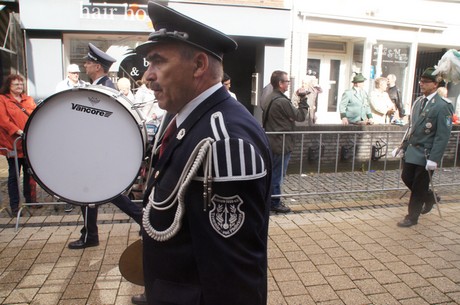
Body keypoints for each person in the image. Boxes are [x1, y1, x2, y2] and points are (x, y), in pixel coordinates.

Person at [135, 1, 271, 304]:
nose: (147, 76)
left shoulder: (224, 142)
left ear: (198, 66)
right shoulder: (182, 117)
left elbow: (233, 276)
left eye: (158, 62)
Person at [67, 43, 117, 250]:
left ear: (97, 66)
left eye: (88, 63)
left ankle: (90, 235)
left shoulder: (103, 89)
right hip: (95, 149)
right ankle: (90, 235)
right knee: (96, 192)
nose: (85, 66)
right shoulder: (100, 86)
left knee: (91, 192)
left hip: (97, 150)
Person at [396, 67, 453, 227]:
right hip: (412, 150)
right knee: (406, 178)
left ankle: (411, 217)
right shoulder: (419, 102)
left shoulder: (443, 106)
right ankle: (430, 197)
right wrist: (403, 145)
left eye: (426, 82)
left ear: (435, 84)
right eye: (421, 81)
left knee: (418, 185)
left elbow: (442, 136)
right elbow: (412, 128)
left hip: (426, 153)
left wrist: (434, 158)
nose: (421, 84)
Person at [263, 70, 308, 213]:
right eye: (287, 81)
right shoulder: (282, 101)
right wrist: (303, 99)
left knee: (272, 173)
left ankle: (269, 200)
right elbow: (300, 116)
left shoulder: (270, 97)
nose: (289, 83)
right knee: (277, 175)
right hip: (281, 144)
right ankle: (275, 203)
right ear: (280, 84)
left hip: (271, 141)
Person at [0, 75, 37, 216]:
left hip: (28, 143)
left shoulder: (28, 99)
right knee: (14, 175)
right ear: (9, 85)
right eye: (16, 84)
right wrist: (18, 131)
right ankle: (15, 205)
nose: (19, 87)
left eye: (21, 84)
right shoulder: (3, 99)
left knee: (30, 173)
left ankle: (30, 200)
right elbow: (3, 120)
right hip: (12, 144)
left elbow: (34, 114)